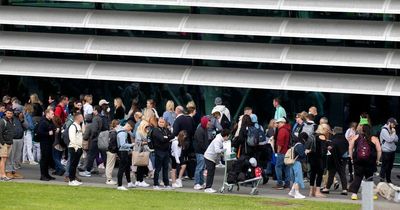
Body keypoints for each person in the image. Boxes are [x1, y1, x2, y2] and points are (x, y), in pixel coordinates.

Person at [348, 124, 382, 200]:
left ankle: (354, 194)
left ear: (362, 130)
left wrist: (351, 158)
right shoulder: (374, 138)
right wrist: (378, 160)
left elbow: (350, 147)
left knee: (358, 177)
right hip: (370, 161)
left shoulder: (356, 137)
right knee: (369, 177)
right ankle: (369, 194)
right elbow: (379, 150)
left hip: (358, 160)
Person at [321, 127, 349, 195]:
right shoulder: (345, 140)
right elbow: (346, 148)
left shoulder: (333, 140)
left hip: (333, 159)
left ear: (334, 132)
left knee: (331, 174)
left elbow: (330, 149)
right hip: (343, 159)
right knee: (342, 174)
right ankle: (344, 189)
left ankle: (327, 188)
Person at [306, 124, 330, 198]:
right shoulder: (322, 136)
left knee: (313, 174)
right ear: (324, 129)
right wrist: (327, 148)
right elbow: (323, 150)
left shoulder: (314, 135)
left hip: (312, 157)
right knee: (319, 175)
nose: (328, 131)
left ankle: (311, 191)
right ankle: (317, 192)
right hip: (319, 159)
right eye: (327, 129)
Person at [203, 129, 230, 193]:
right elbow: (217, 150)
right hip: (209, 157)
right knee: (210, 173)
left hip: (212, 158)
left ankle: (209, 187)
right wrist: (224, 150)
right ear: (225, 136)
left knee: (212, 173)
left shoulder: (220, 139)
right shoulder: (218, 140)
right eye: (228, 136)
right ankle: (207, 188)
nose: (228, 138)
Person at [80, 105, 103, 177]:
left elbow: (94, 130)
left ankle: (87, 171)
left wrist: (92, 136)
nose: (93, 111)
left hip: (95, 139)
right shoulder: (101, 118)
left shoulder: (96, 118)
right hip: (99, 139)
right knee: (96, 155)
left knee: (90, 155)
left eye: (94, 110)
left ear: (96, 110)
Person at [151, 117, 174, 190]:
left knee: (166, 168)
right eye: (160, 122)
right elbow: (162, 139)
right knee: (158, 168)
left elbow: (172, 136)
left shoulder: (166, 129)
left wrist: (167, 137)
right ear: (158, 122)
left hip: (166, 151)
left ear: (165, 123)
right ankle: (155, 184)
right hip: (159, 151)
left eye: (163, 122)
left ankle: (166, 184)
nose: (161, 123)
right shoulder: (155, 130)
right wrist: (167, 138)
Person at [5, 108, 25, 179]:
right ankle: (8, 171)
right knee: (10, 157)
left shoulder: (19, 119)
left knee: (16, 157)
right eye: (8, 113)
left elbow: (27, 127)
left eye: (18, 112)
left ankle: (13, 171)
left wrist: (22, 120)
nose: (17, 113)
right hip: (11, 140)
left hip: (19, 139)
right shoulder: (5, 120)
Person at [116, 120, 136, 190]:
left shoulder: (122, 131)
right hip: (122, 152)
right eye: (130, 129)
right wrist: (132, 145)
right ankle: (120, 185)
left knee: (127, 167)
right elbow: (123, 145)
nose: (130, 130)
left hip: (124, 151)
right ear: (128, 126)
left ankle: (129, 182)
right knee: (121, 169)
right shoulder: (122, 133)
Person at [37, 108, 56, 181]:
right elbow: (39, 132)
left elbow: (52, 128)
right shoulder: (43, 122)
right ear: (47, 114)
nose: (53, 115)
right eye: (52, 114)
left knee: (47, 159)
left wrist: (55, 130)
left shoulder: (50, 121)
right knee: (44, 159)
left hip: (49, 142)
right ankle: (43, 175)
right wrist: (48, 133)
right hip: (44, 143)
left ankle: (47, 174)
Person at [193, 116, 210, 190]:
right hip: (200, 152)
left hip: (202, 152)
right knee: (199, 168)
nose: (209, 124)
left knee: (201, 168)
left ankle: (201, 182)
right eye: (208, 123)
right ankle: (197, 183)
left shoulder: (204, 129)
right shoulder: (200, 130)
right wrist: (206, 150)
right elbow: (201, 143)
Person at [379, 118, 398, 183]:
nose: (395, 126)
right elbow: (389, 140)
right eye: (394, 124)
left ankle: (388, 179)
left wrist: (393, 133)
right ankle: (382, 180)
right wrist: (393, 133)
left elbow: (396, 139)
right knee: (384, 166)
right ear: (390, 123)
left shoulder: (392, 130)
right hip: (386, 151)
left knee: (390, 167)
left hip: (392, 151)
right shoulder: (384, 130)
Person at [274, 118, 291, 190]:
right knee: (287, 168)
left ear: (282, 123)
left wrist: (278, 151)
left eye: (278, 123)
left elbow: (280, 143)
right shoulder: (287, 129)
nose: (277, 124)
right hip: (287, 152)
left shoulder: (282, 130)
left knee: (278, 167)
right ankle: (287, 185)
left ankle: (280, 184)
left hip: (282, 152)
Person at [68, 113, 84, 186]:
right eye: (81, 117)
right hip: (74, 148)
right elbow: (72, 138)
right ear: (77, 118)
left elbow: (83, 133)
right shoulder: (73, 126)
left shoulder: (79, 126)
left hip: (79, 147)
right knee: (72, 164)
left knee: (75, 165)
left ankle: (73, 179)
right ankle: (71, 180)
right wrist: (76, 147)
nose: (82, 118)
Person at [288, 134, 307, 199]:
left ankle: (292, 191)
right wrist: (306, 152)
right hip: (297, 162)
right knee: (298, 178)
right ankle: (297, 193)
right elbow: (302, 154)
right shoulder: (300, 145)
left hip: (293, 162)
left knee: (296, 177)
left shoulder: (295, 144)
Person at [134, 120, 151, 188]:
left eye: (148, 126)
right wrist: (146, 142)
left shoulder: (145, 132)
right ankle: (140, 181)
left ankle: (138, 181)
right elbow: (138, 142)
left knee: (140, 166)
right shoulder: (139, 132)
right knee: (141, 166)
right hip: (140, 151)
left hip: (144, 150)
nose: (147, 128)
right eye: (146, 126)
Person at [0, 109, 14, 181]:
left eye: (10, 113)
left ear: (12, 114)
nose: (9, 115)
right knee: (3, 159)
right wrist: (2, 142)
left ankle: (2, 174)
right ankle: (3, 175)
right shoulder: (3, 121)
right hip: (4, 143)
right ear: (5, 113)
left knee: (4, 160)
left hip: (9, 143)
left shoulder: (11, 121)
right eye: (8, 113)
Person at [105, 120, 120, 185]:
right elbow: (113, 143)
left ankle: (109, 179)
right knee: (110, 165)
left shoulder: (110, 131)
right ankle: (109, 179)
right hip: (111, 151)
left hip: (109, 150)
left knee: (109, 164)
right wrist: (115, 150)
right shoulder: (114, 133)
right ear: (116, 125)